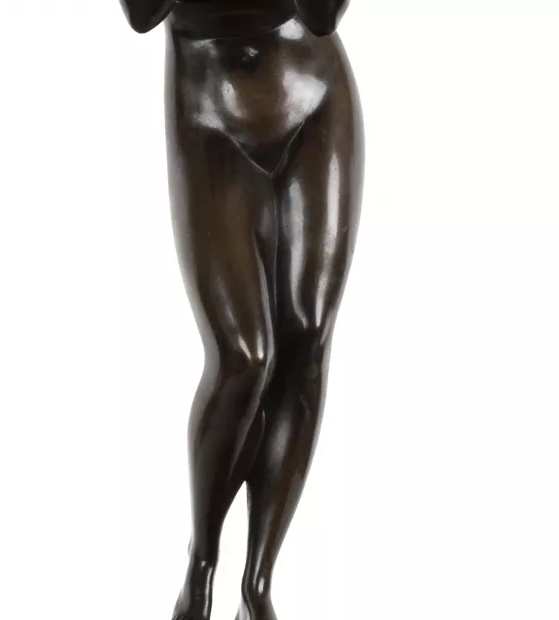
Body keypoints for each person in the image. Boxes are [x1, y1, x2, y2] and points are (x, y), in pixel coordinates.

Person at [120, 1, 361, 618]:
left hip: (312, 91)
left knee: (306, 337)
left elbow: (323, 14)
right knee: (244, 357)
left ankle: (258, 584)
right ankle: (201, 563)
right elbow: (142, 14)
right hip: (208, 105)